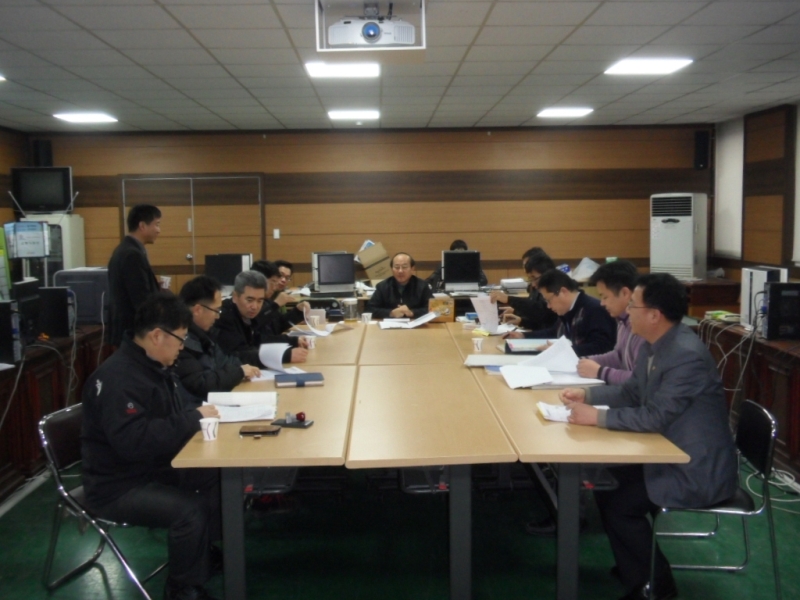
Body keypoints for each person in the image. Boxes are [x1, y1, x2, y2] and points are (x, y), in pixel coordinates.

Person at [561, 273, 739, 600]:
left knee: (621, 505)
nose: (628, 311)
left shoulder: (685, 355)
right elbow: (631, 393)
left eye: (634, 305)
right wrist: (586, 395)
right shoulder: (653, 345)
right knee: (607, 485)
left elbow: (655, 416)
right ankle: (636, 570)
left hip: (694, 468)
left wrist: (596, 417)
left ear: (654, 315)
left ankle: (657, 587)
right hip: (668, 451)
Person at [81, 292, 222, 600]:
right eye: (181, 339)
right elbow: (133, 442)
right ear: (157, 335)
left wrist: (193, 418)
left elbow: (168, 417)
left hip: (152, 467)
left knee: (218, 476)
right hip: (117, 486)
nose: (183, 346)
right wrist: (191, 420)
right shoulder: (119, 378)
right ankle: (182, 588)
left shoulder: (153, 366)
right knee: (190, 510)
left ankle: (200, 553)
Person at [175, 275, 261, 407]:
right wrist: (238, 372)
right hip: (199, 410)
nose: (217, 316)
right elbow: (200, 384)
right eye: (216, 310)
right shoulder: (180, 341)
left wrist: (245, 368)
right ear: (197, 310)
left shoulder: (205, 335)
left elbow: (223, 361)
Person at [506, 268, 616, 357]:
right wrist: (523, 336)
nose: (548, 306)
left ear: (563, 292)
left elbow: (601, 348)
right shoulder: (568, 309)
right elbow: (555, 332)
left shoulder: (594, 310)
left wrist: (561, 351)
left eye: (549, 300)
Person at [214, 270, 308, 366]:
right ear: (235, 297)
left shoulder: (247, 313)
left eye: (260, 301)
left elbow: (259, 340)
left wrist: (292, 341)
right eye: (249, 300)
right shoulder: (223, 317)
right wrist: (283, 356)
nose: (255, 307)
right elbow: (236, 356)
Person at [577, 260, 644, 384]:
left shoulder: (643, 326)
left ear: (625, 293)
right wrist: (584, 361)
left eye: (605, 297)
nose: (602, 303)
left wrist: (600, 372)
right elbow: (618, 357)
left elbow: (640, 381)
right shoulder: (622, 320)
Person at [107, 204, 162, 346]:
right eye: (156, 224)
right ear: (142, 226)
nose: (159, 230)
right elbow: (141, 299)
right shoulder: (132, 254)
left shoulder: (126, 249)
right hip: (132, 333)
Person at [490, 247, 557, 330]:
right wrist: (521, 321)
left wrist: (509, 299)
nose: (525, 268)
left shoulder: (553, 288)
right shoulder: (535, 286)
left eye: (534, 277)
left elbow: (542, 312)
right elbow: (538, 320)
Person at [366, 252, 433, 319]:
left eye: (404, 267)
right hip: (390, 324)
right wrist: (390, 313)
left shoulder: (422, 286)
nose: (400, 271)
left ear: (412, 269)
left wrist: (412, 312)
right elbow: (369, 309)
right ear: (392, 269)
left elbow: (433, 309)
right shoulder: (382, 286)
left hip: (415, 323)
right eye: (397, 267)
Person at [251, 260, 309, 325]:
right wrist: (276, 304)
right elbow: (255, 323)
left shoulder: (277, 294)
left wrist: (297, 312)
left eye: (287, 277)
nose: (283, 280)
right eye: (281, 275)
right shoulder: (257, 298)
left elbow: (278, 323)